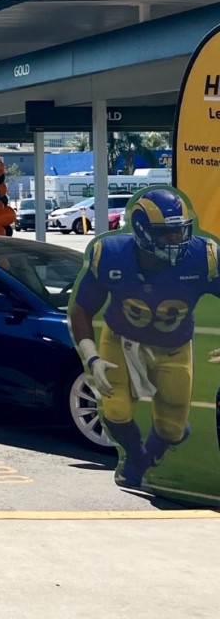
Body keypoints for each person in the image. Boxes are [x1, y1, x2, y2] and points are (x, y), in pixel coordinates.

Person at [70, 187, 220, 489]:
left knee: (172, 429)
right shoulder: (111, 255)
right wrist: (92, 355)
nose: (177, 240)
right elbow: (82, 308)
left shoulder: (202, 257)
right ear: (141, 231)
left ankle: (146, 456)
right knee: (116, 410)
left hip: (174, 347)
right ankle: (135, 457)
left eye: (180, 231)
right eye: (166, 233)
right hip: (121, 340)